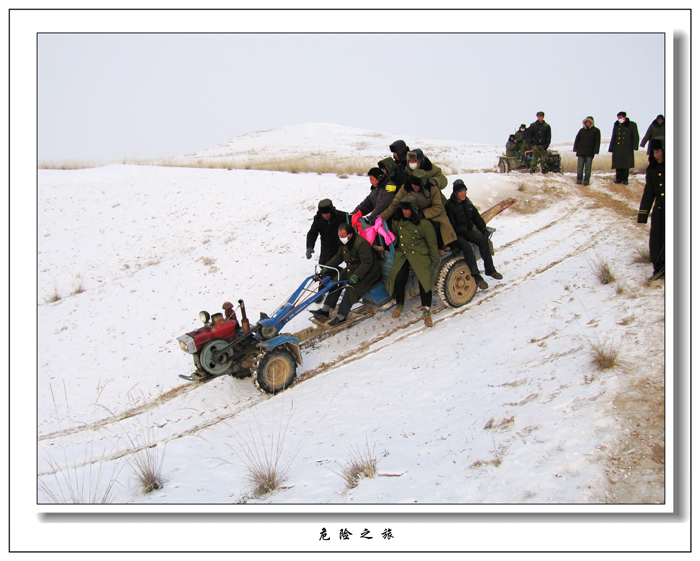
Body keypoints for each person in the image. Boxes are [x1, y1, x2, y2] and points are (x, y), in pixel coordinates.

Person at [310, 223, 382, 326]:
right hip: (353, 268)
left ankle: (342, 316)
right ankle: (325, 310)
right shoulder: (345, 244)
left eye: (343, 236)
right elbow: (338, 257)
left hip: (368, 272)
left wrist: (357, 275)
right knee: (336, 282)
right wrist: (326, 268)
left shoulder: (361, 244)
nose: (341, 238)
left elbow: (367, 263)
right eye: (340, 236)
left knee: (351, 288)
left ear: (350, 235)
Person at [384, 197, 440, 327]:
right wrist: (393, 240)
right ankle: (400, 304)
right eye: (403, 209)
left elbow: (432, 243)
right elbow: (397, 236)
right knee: (398, 277)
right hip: (403, 253)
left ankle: (426, 310)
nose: (405, 212)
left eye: (407, 209)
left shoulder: (424, 224)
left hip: (419, 254)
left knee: (424, 280)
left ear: (414, 209)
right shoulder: (398, 222)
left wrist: (434, 260)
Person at [445, 179, 503, 290]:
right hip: (456, 234)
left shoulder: (467, 202)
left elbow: (476, 217)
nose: (464, 193)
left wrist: (483, 229)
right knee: (467, 248)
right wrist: (453, 244)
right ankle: (476, 276)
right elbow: (448, 227)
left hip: (467, 230)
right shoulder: (450, 206)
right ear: (455, 193)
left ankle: (490, 270)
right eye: (461, 191)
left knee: (483, 240)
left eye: (464, 190)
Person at [378, 172, 457, 249]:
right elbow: (394, 204)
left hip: (430, 214)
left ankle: (439, 246)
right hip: (410, 214)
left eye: (416, 185)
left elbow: (438, 207)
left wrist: (423, 214)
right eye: (412, 184)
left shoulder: (433, 188)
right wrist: (380, 218)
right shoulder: (405, 188)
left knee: (434, 227)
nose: (414, 187)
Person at [637, 139, 665, 280]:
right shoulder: (652, 170)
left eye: (658, 151)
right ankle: (659, 270)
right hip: (659, 212)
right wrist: (643, 214)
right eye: (653, 152)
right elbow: (649, 193)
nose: (655, 155)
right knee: (657, 241)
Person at [305, 199, 346, 263]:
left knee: (333, 265)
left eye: (327, 213)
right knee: (323, 264)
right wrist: (309, 247)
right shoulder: (318, 220)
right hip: (326, 246)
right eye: (323, 214)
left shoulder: (341, 216)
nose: (326, 215)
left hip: (340, 245)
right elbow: (312, 233)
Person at [608, 111, 639, 185]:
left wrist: (635, 146)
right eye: (618, 117)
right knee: (618, 164)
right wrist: (611, 147)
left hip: (627, 148)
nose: (619, 119)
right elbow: (614, 136)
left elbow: (635, 136)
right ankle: (618, 178)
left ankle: (625, 179)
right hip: (617, 148)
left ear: (624, 117)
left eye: (620, 117)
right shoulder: (616, 125)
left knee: (626, 164)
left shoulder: (632, 125)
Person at [573, 116, 601, 185]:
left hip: (590, 152)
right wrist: (575, 148)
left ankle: (586, 180)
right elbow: (577, 140)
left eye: (589, 122)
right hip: (581, 151)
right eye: (586, 122)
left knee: (588, 167)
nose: (587, 123)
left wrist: (596, 150)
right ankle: (579, 179)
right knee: (580, 167)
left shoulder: (596, 131)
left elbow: (597, 141)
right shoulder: (581, 131)